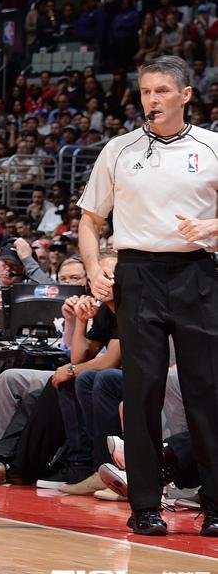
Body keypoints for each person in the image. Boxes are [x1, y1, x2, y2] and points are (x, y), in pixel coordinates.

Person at [78, 55, 218, 537]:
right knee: (141, 394)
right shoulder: (119, 150)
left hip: (199, 273)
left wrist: (212, 226)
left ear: (186, 95)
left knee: (206, 391)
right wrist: (94, 269)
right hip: (137, 275)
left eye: (162, 91)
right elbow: (90, 221)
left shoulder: (212, 146)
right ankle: (144, 506)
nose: (151, 100)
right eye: (145, 91)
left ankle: (214, 505)